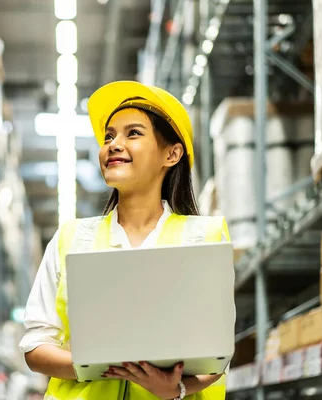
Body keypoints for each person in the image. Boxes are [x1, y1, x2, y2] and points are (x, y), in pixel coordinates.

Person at [19, 81, 233, 400]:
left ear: (171, 154)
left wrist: (177, 388)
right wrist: (91, 365)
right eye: (109, 136)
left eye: (132, 133)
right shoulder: (71, 239)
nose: (114, 145)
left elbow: (217, 353)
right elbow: (36, 346)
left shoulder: (204, 236)